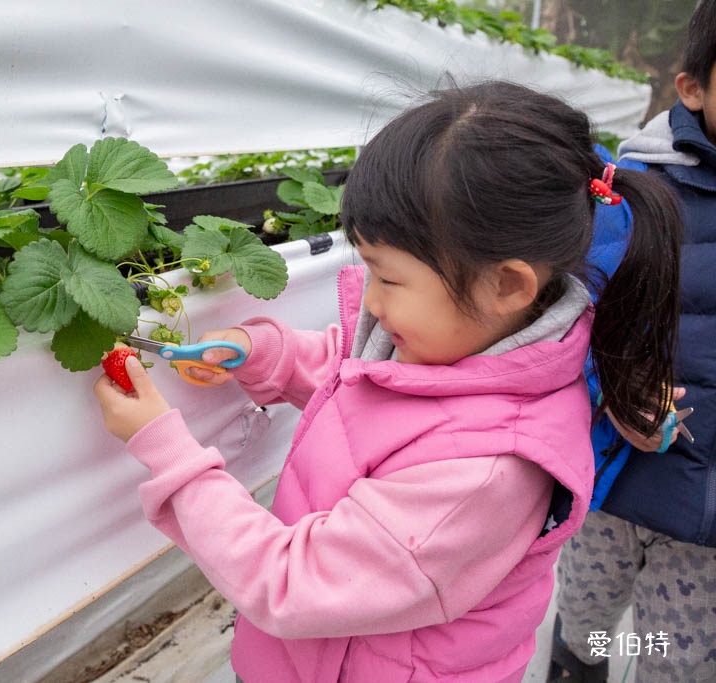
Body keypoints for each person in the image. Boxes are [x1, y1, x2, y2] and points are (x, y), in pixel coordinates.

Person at [93, 80, 682, 682]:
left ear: (507, 284)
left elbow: (291, 583)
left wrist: (165, 449)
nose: (370, 301)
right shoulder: (460, 345)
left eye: (388, 279)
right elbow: (365, 382)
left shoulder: (487, 473)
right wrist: (260, 353)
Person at [549, 2, 716, 681]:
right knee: (588, 613)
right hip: (615, 475)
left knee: (676, 657)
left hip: (706, 520)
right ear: (693, 89)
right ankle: (576, 661)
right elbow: (573, 317)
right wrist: (613, 388)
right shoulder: (634, 195)